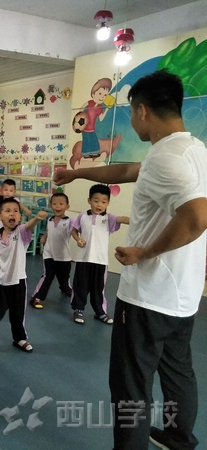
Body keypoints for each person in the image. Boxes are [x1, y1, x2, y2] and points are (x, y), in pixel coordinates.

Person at [54, 70, 207, 450]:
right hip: (183, 294)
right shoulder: (193, 150)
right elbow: (128, 170)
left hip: (149, 295)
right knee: (179, 372)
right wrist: (76, 174)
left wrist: (144, 252)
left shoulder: (165, 157)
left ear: (142, 111)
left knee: (131, 383)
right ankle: (179, 438)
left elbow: (197, 217)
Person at [0, 198, 47, 356]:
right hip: (1, 281)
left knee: (18, 313)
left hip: (19, 281)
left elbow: (28, 226)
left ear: (19, 216)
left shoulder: (21, 232)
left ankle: (19, 338)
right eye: (8, 211)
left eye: (16, 211)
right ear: (0, 216)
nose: (12, 214)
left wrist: (36, 218)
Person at [70, 184, 128, 325]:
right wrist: (78, 239)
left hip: (100, 261)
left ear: (108, 203)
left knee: (98, 289)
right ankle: (78, 309)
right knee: (80, 286)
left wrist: (138, 219)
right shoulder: (82, 216)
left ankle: (100, 312)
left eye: (103, 201)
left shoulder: (109, 218)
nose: (99, 204)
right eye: (96, 201)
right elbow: (74, 230)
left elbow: (121, 219)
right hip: (83, 259)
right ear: (89, 200)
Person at [29, 192, 73, 309]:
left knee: (64, 277)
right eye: (54, 204)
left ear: (67, 206)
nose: (57, 206)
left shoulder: (69, 221)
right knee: (47, 276)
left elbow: (75, 230)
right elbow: (49, 231)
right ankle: (36, 297)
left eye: (61, 204)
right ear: (50, 206)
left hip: (64, 256)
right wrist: (44, 237)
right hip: (49, 254)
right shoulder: (50, 220)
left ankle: (66, 289)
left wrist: (79, 239)